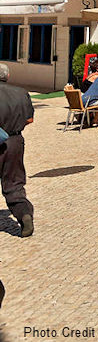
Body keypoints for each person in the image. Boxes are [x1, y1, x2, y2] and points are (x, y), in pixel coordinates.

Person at [0, 65, 34, 237]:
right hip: (14, 141)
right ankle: (24, 214)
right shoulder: (21, 92)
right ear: (8, 75)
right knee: (14, 183)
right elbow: (29, 118)